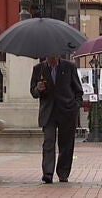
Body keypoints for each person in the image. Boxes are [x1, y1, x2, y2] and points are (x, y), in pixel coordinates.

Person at [30, 56, 83, 184]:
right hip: (48, 113)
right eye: (49, 54)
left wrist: (75, 107)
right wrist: (38, 89)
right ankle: (47, 173)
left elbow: (78, 90)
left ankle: (63, 173)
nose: (52, 57)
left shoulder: (69, 67)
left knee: (66, 144)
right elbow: (33, 92)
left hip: (67, 111)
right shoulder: (38, 69)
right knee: (48, 142)